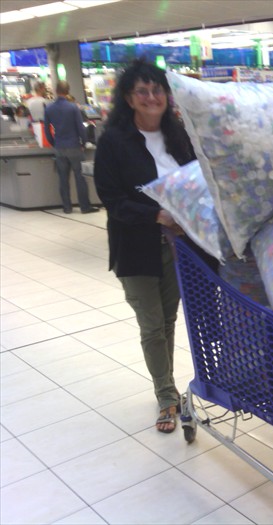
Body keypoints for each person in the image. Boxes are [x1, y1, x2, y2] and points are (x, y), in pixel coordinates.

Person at [94, 58, 195, 434]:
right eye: (143, 91)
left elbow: (197, 180)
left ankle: (164, 384)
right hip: (135, 246)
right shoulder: (114, 141)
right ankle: (167, 397)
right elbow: (112, 197)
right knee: (152, 325)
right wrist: (157, 216)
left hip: (179, 247)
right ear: (129, 98)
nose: (152, 97)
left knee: (167, 321)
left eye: (158, 89)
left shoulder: (179, 135)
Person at [44, 81, 98, 214]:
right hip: (74, 146)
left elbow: (46, 130)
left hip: (59, 147)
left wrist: (54, 143)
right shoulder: (73, 107)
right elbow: (80, 128)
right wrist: (84, 143)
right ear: (68, 91)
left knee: (63, 179)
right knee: (80, 178)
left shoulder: (49, 108)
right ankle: (84, 207)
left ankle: (67, 207)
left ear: (56, 91)